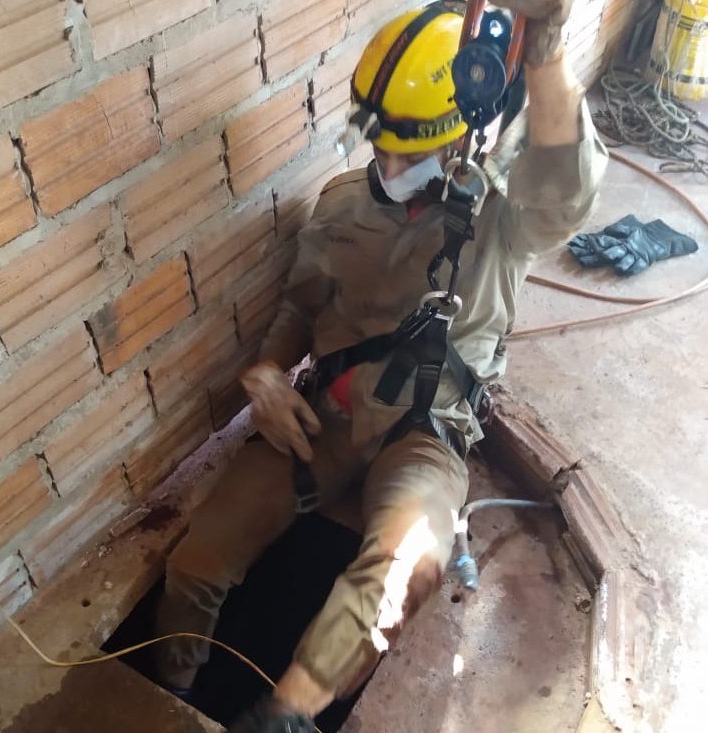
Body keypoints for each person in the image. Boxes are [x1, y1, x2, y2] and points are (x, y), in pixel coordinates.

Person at [155, 1, 608, 730]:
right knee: (195, 562)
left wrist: (546, 45)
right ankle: (170, 691)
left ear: (459, 134)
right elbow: (301, 306)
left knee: (405, 563)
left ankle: (286, 714)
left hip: (424, 436)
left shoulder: (502, 217)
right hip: (323, 419)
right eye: (382, 148)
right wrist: (266, 375)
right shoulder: (341, 204)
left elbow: (566, 185)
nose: (390, 168)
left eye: (411, 153)